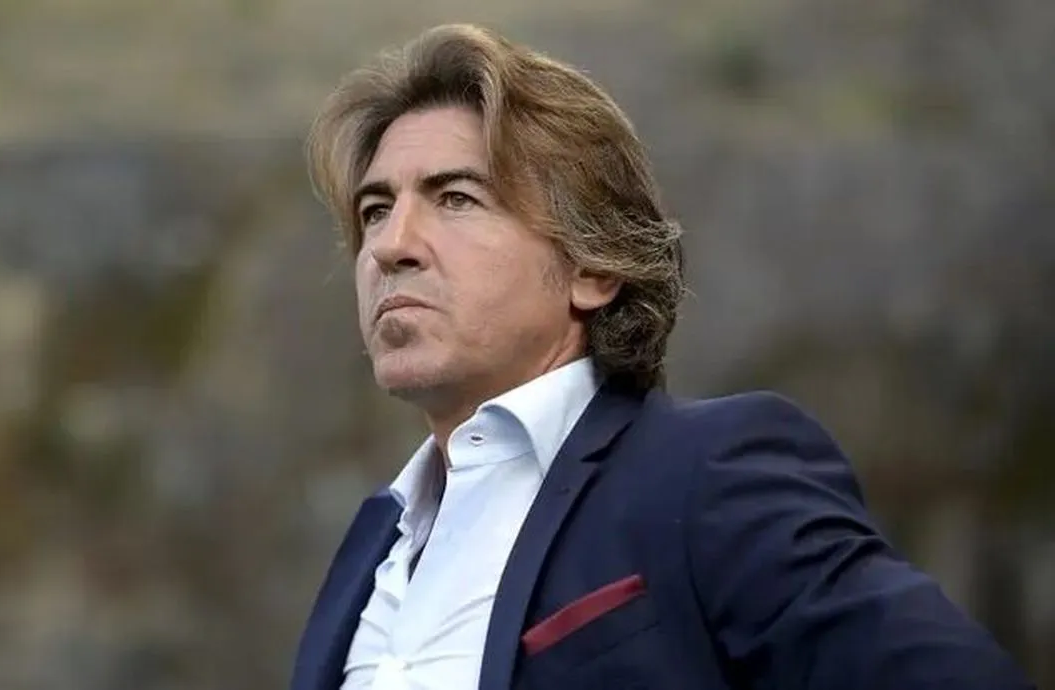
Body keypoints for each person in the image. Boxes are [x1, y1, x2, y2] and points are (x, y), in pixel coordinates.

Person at [289, 23, 1034, 690]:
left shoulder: (708, 475)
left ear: (593, 266)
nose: (390, 246)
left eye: (456, 198)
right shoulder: (374, 545)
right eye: (375, 211)